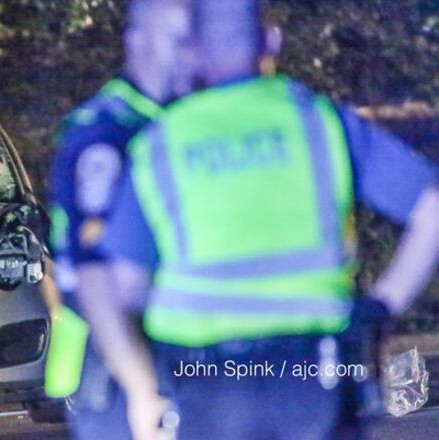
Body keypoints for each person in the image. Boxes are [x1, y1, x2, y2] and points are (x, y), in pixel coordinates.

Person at [79, 1, 439, 439]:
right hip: (314, 380)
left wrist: (140, 386)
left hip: (204, 386)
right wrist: (384, 304)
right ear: (272, 42)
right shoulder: (320, 123)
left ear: (191, 53)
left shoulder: (161, 144)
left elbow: (126, 285)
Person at [44, 1, 195, 439]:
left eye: (194, 42)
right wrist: (141, 386)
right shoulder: (109, 132)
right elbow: (96, 273)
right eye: (178, 41)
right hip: (114, 363)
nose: (190, 56)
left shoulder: (171, 120)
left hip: (153, 348)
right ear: (137, 43)